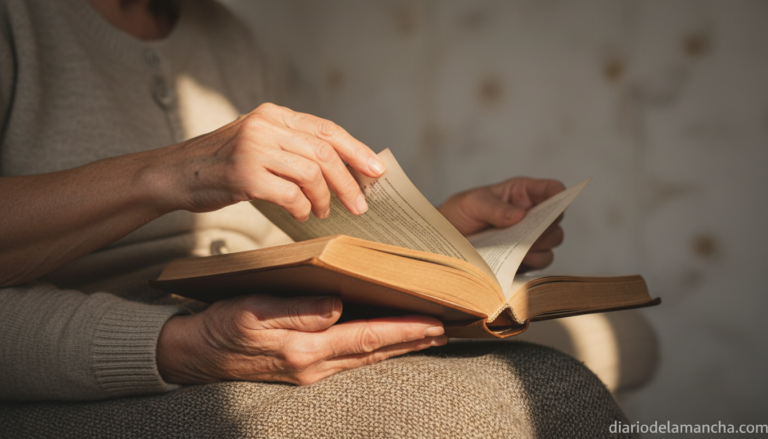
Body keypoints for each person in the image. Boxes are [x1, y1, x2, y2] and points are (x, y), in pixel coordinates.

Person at [0, 0, 566, 400]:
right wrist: (173, 346)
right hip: (108, 360)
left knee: (548, 378)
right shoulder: (19, 23)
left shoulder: (226, 36)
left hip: (244, 320)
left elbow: (276, 243)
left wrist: (433, 240)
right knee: (487, 402)